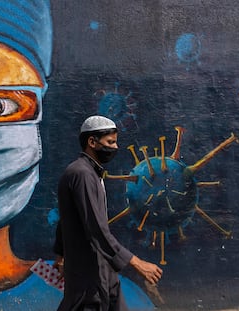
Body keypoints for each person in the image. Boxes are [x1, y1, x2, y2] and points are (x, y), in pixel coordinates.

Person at [53, 115, 163, 311]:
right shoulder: (82, 174)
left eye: (116, 142)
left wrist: (61, 255)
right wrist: (137, 263)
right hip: (90, 272)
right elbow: (96, 229)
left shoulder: (89, 172)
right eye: (110, 142)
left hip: (103, 268)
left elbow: (68, 218)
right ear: (92, 142)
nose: (116, 147)